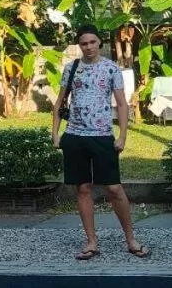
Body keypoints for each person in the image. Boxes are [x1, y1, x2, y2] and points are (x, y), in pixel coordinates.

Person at [52, 24, 150, 261]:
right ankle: (91, 242)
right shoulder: (71, 68)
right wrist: (55, 134)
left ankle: (131, 239)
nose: (88, 47)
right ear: (79, 46)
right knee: (83, 188)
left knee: (114, 188)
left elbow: (122, 104)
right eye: (84, 43)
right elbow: (59, 102)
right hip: (74, 136)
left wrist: (123, 135)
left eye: (92, 42)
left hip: (102, 135)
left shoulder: (110, 69)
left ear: (99, 43)